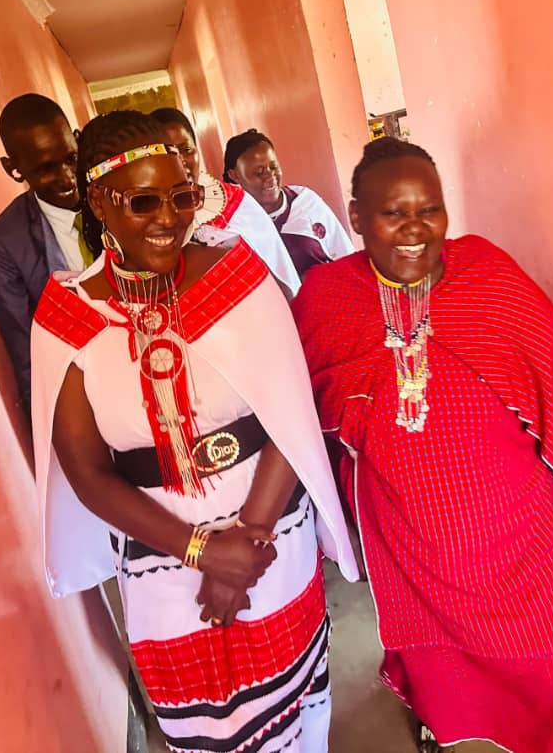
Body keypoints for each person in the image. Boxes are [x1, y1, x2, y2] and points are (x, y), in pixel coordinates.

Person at [30, 111, 359, 752]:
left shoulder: (237, 277)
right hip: (162, 561)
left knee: (298, 714)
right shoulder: (68, 316)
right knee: (205, 729)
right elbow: (87, 472)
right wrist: (203, 552)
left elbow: (289, 410)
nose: (168, 219)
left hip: (270, 537)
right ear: (98, 203)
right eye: (143, 202)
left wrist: (246, 545)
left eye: (181, 198)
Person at [292, 137, 553, 753]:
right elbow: (304, 411)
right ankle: (447, 727)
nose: (415, 229)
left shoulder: (490, 276)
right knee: (440, 662)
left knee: (552, 663)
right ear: (356, 216)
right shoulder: (328, 298)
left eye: (429, 210)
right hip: (406, 534)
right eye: (393, 213)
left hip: (519, 535)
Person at [0, 93, 97, 415]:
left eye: (71, 158)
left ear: (77, 140)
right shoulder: (7, 241)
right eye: (46, 168)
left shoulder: (115, 195)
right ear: (13, 169)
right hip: (85, 396)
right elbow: (26, 351)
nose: (67, 177)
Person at [150, 107, 301, 295]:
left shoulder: (236, 203)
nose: (181, 161)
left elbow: (280, 276)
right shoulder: (145, 215)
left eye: (186, 150)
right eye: (168, 153)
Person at [223, 129, 355, 279]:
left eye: (273, 167)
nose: (270, 176)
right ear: (234, 175)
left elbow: (345, 255)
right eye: (259, 172)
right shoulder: (235, 223)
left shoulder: (305, 202)